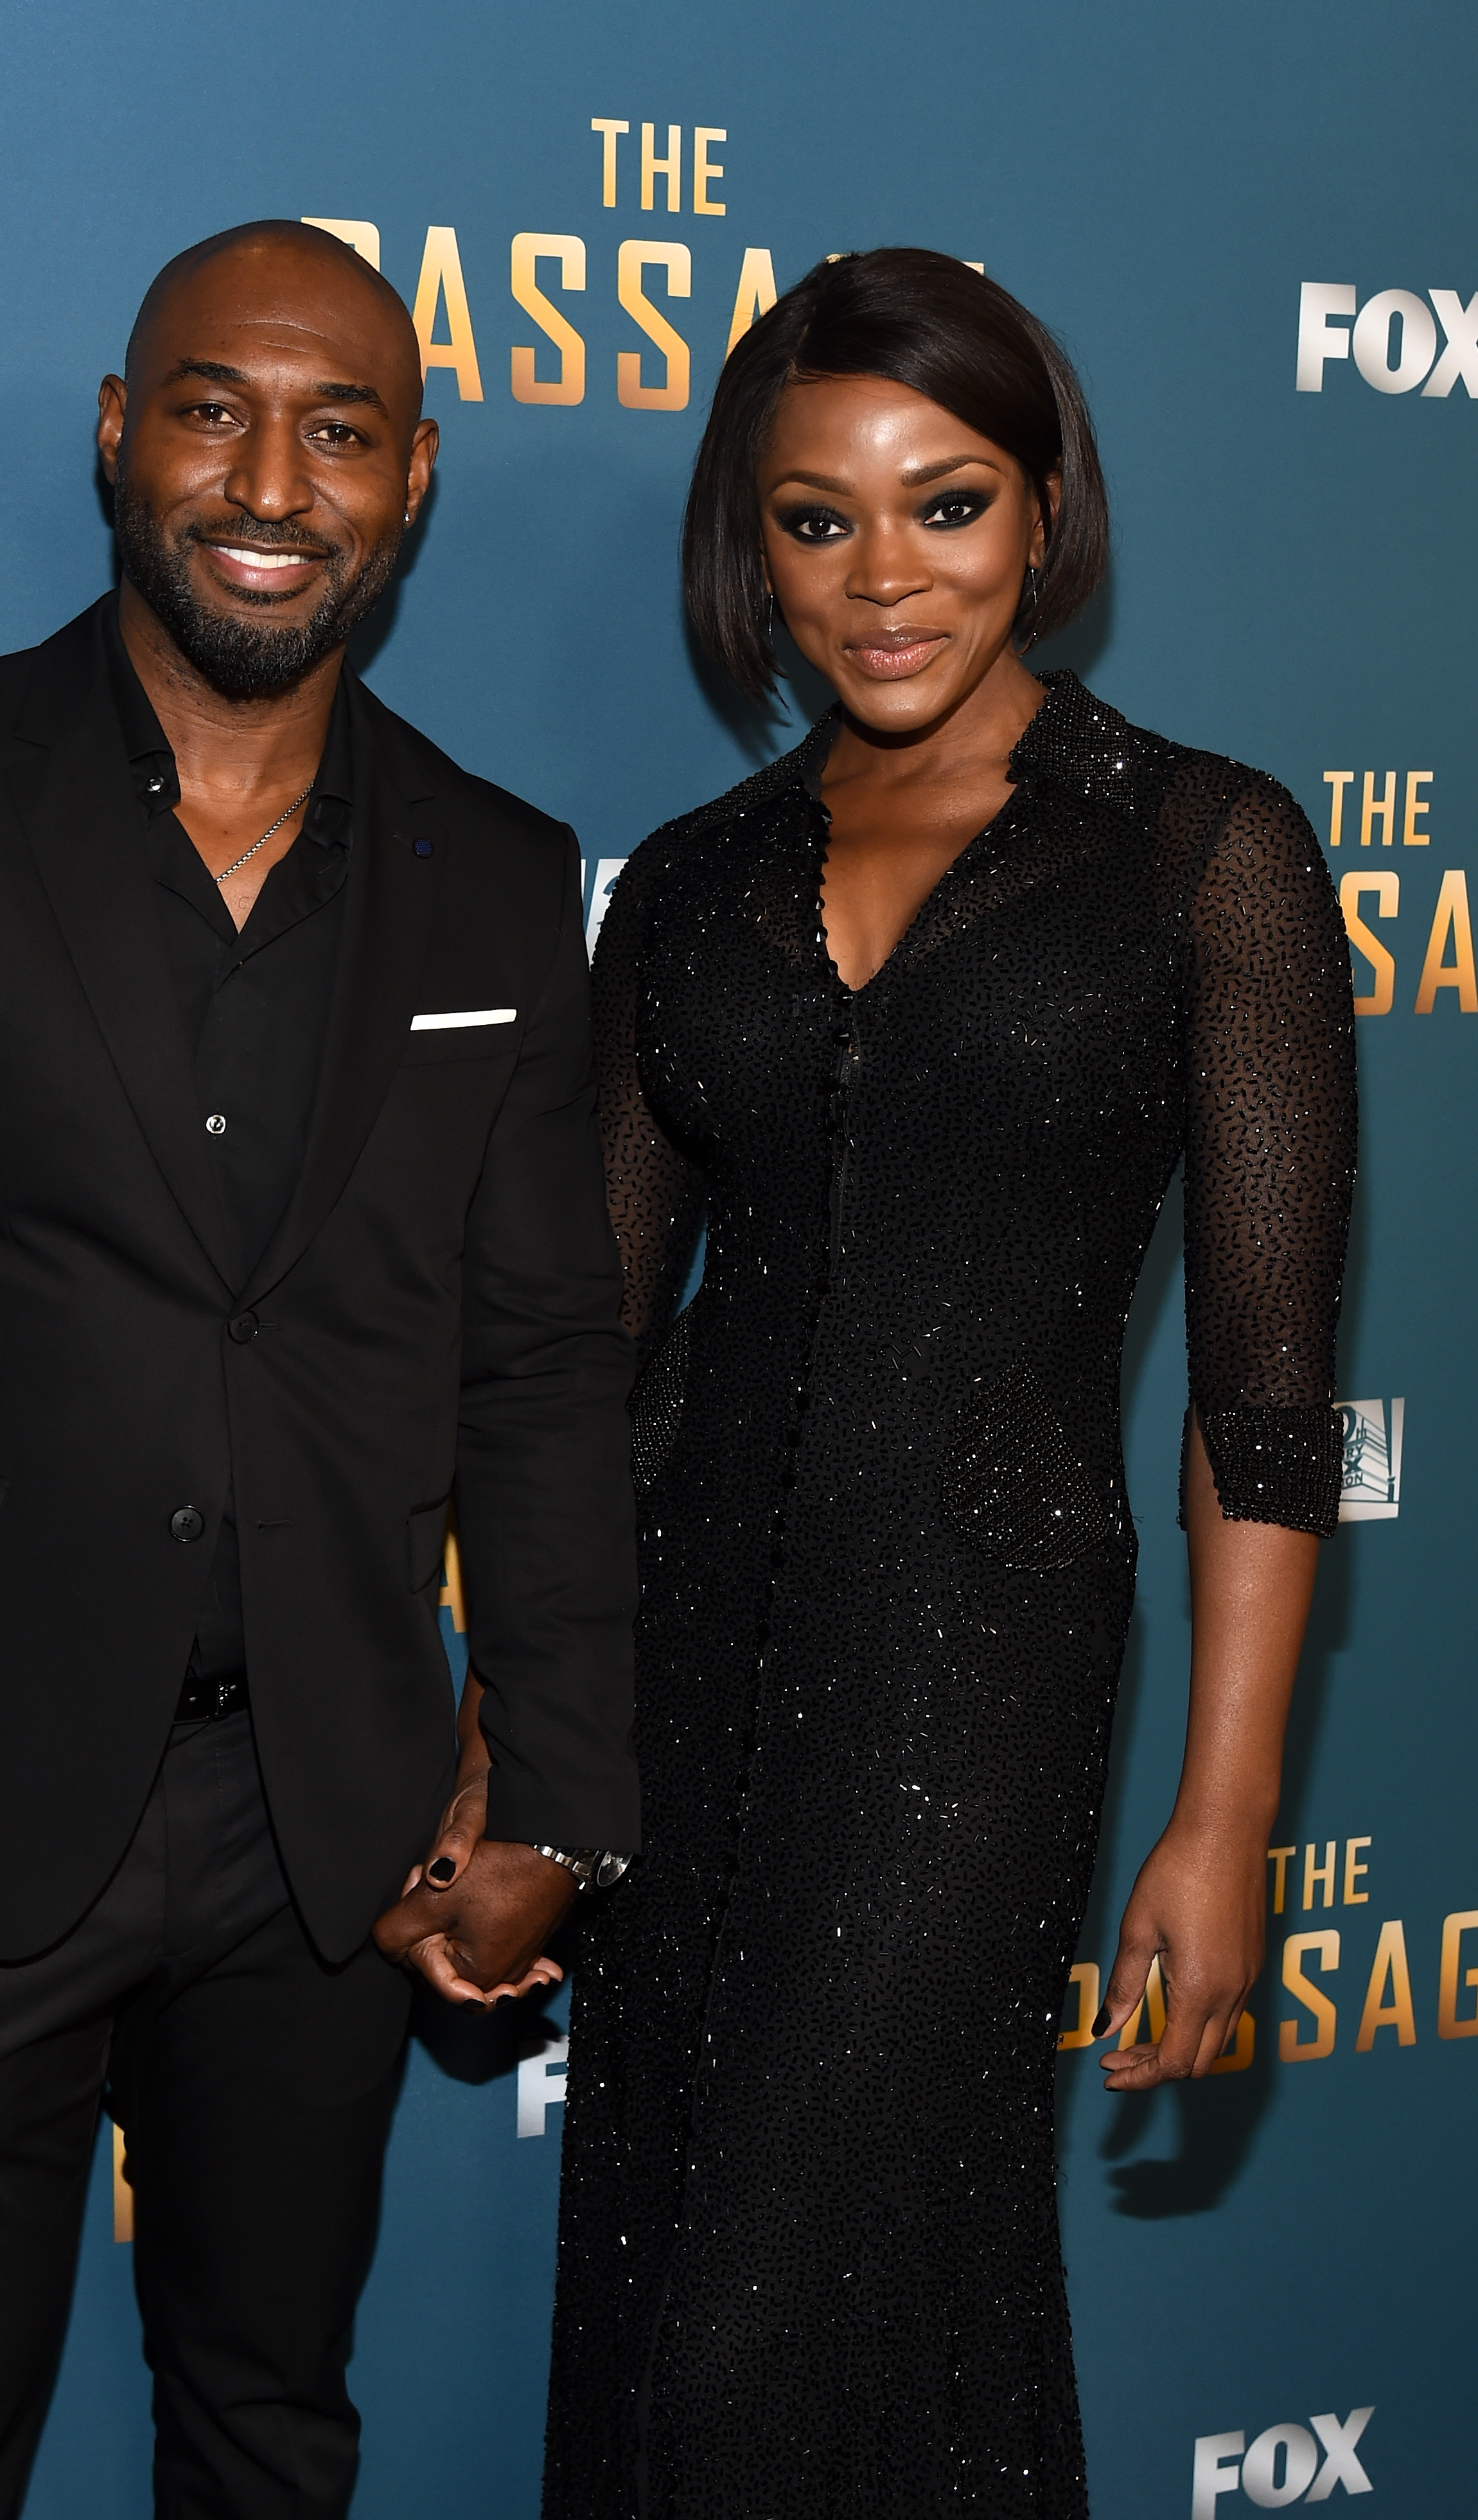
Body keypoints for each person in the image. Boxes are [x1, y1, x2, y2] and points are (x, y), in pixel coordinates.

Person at [0, 219, 639, 2520]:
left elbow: (542, 1364)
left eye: (340, 427)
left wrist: (561, 1777)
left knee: (274, 2430)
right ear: (121, 432)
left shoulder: (498, 876)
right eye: (212, 406)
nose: (268, 476)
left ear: (412, 478)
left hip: (333, 1827)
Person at [542, 248, 1355, 2518]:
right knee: (671, 2311)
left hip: (975, 1678)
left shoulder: (1205, 854)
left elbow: (1265, 1398)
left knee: (765, 2346)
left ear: (1045, 504)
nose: (882, 579)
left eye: (947, 503)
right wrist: (521, 1726)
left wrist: (1225, 1811)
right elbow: (586, 1364)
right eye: (817, 521)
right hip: (677, 1680)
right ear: (751, 542)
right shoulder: (692, 889)